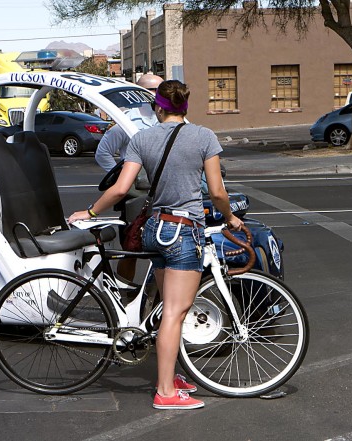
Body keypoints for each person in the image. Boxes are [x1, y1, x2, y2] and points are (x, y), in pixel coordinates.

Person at [69, 80, 243, 410]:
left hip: (155, 227)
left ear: (157, 108)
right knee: (176, 313)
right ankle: (165, 392)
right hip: (183, 230)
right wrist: (230, 217)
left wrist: (90, 211)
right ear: (185, 107)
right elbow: (218, 192)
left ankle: (170, 376)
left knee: (167, 308)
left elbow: (121, 189)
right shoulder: (204, 136)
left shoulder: (142, 138)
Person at [94, 73, 163, 282]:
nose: (155, 95)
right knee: (131, 246)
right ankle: (125, 295)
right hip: (135, 194)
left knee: (163, 248)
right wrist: (123, 177)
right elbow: (103, 153)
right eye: (151, 90)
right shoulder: (126, 120)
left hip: (161, 190)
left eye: (159, 90)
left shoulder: (166, 118)